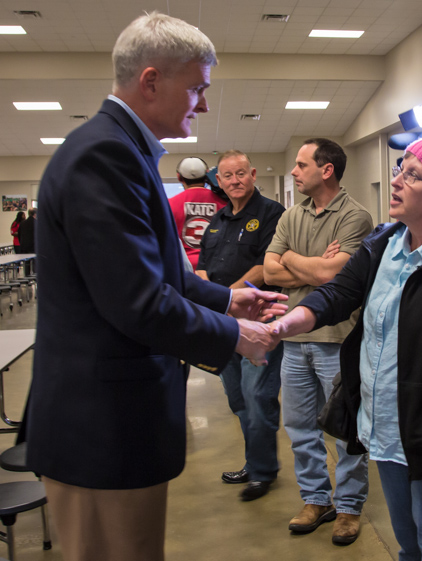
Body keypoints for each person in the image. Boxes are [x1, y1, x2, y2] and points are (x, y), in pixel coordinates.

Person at [24, 13, 287, 561]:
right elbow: (138, 302)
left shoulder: (124, 150)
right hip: (101, 428)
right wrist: (237, 334)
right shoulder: (105, 155)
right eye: (197, 89)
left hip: (115, 420)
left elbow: (154, 272)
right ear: (150, 81)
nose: (204, 105)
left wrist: (226, 297)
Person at [266, 135, 422, 560]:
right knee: (410, 548)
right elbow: (335, 294)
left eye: (412, 175)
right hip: (388, 435)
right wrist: (283, 325)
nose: (396, 181)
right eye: (401, 169)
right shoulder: (384, 244)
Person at [263, 137, 373, 545]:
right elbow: (269, 271)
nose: (294, 171)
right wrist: (312, 266)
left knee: (345, 429)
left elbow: (336, 278)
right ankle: (316, 499)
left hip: (336, 339)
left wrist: (292, 259)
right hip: (295, 340)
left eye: (301, 164)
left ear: (326, 170)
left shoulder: (356, 217)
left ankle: (348, 506)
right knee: (298, 427)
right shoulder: (292, 215)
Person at [197, 150, 285, 501]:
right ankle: (255, 462)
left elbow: (265, 268)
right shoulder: (216, 222)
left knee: (258, 394)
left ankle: (263, 473)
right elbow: (201, 269)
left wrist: (221, 297)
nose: (235, 181)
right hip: (223, 325)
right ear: (219, 181)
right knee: (237, 397)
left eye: (241, 174)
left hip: (259, 321)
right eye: (227, 176)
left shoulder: (271, 214)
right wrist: (213, 300)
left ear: (252, 175)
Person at [169, 156, 226, 269]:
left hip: (184, 268)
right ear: (206, 176)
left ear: (179, 177)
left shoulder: (169, 204)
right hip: (216, 267)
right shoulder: (225, 204)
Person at [18, 208, 36, 274]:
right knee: (35, 264)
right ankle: (35, 279)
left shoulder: (22, 223)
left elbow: (19, 235)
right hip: (34, 246)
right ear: (35, 214)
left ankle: (27, 279)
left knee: (26, 264)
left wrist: (21, 243)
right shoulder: (37, 223)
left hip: (24, 246)